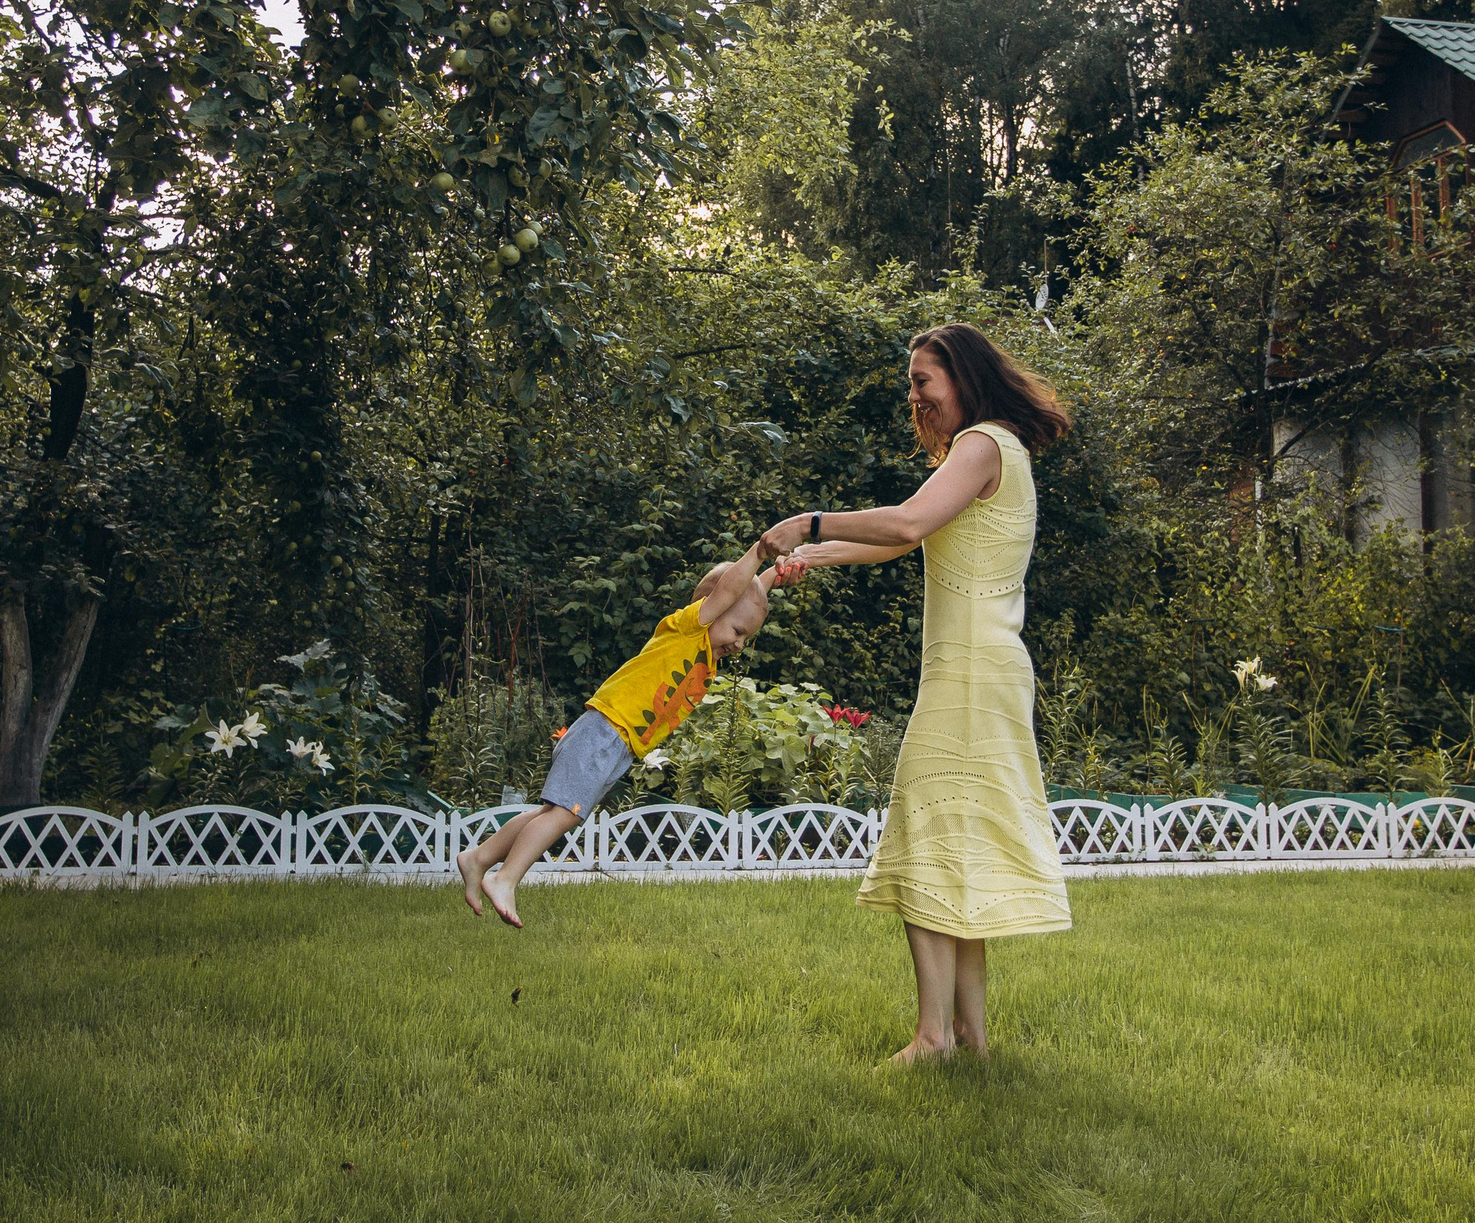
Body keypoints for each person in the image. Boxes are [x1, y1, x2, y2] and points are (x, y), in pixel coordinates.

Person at [764, 323, 1073, 1064]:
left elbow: (905, 519)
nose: (915, 396)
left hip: (969, 673)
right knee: (956, 840)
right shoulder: (995, 449)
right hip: (984, 670)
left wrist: (808, 519)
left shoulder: (982, 445)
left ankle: (933, 1035)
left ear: (962, 379)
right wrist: (803, 557)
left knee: (927, 834)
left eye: (922, 380)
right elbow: (905, 537)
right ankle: (970, 1036)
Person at [455, 540, 797, 928]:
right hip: (606, 728)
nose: (738, 644)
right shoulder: (688, 629)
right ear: (714, 606)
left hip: (619, 743)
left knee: (554, 812)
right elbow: (735, 589)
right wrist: (760, 553)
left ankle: (479, 858)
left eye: (745, 639)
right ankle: (505, 878)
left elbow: (746, 597)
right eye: (736, 631)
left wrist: (774, 576)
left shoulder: (708, 651)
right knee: (564, 814)